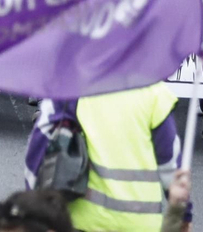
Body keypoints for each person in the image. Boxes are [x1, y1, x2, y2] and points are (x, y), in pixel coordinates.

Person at [28, 82, 178, 232]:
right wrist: (183, 215)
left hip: (81, 219)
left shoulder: (68, 87)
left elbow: (38, 147)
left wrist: (37, 211)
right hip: (140, 222)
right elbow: (171, 167)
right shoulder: (155, 93)